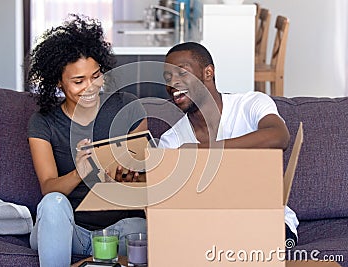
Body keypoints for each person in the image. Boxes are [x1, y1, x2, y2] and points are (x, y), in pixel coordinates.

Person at [26, 14, 147, 266]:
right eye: (78, 81)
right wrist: (80, 172)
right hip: (68, 231)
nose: (90, 87)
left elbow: (147, 177)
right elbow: (48, 188)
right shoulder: (44, 122)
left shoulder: (128, 108)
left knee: (145, 226)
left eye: (95, 76)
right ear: (58, 81)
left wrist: (133, 171)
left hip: (118, 231)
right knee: (52, 203)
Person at [158, 42, 299, 243]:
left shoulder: (250, 105)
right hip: (209, 232)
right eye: (168, 77)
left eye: (182, 74)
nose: (173, 84)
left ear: (208, 73)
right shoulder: (171, 142)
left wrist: (202, 152)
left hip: (268, 222)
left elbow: (279, 136)